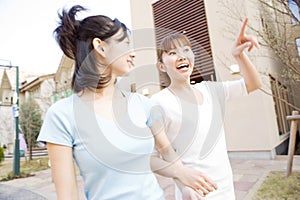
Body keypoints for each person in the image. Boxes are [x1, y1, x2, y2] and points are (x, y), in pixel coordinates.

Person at [37, 5, 215, 200]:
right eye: (125, 44)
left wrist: (185, 185)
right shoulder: (62, 115)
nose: (133, 54)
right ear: (100, 46)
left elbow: (167, 152)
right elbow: (67, 195)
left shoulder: (142, 104)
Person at [151, 18, 262, 199]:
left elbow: (253, 84)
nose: (181, 56)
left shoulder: (211, 90)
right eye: (172, 52)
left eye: (186, 50)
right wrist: (181, 180)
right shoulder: (158, 103)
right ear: (161, 66)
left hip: (225, 189)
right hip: (194, 193)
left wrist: (239, 56)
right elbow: (152, 157)